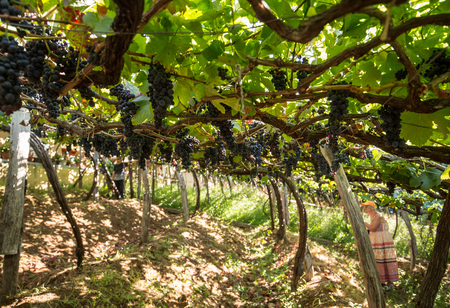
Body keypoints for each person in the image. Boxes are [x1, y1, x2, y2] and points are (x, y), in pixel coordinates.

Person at [362, 200, 399, 290]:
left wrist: (364, 223)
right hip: (377, 240)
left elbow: (373, 228)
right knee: (379, 259)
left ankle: (389, 283)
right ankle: (382, 281)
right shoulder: (372, 216)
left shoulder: (378, 216)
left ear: (372, 207)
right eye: (365, 206)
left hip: (382, 240)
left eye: (367, 206)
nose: (365, 208)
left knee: (385, 258)